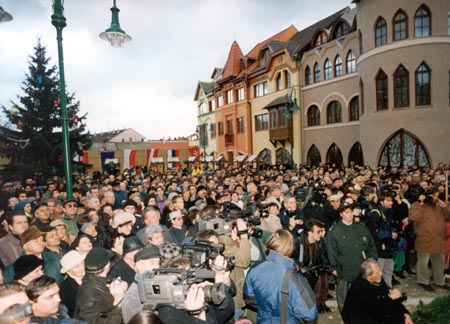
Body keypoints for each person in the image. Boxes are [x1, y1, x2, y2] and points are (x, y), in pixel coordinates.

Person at [244, 229, 318, 324]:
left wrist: (267, 310)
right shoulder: (295, 279)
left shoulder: (255, 269)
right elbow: (309, 315)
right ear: (289, 248)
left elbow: (249, 299)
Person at [326, 201, 378, 312]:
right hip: (344, 268)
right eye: (347, 212)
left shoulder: (361, 229)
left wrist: (372, 263)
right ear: (341, 214)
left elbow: (371, 247)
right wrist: (333, 267)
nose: (350, 215)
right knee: (343, 296)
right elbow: (331, 251)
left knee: (363, 294)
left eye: (351, 212)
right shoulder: (334, 231)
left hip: (361, 268)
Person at [342, 259, 414, 324]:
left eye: (380, 270)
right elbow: (378, 309)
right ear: (368, 276)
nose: (381, 273)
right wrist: (391, 298)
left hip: (375, 312)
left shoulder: (377, 279)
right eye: (377, 272)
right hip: (360, 319)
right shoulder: (360, 287)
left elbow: (388, 297)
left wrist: (405, 313)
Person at [409, 188, 450, 292]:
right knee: (423, 262)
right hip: (425, 239)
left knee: (439, 262)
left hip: (438, 239)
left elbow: (448, 216)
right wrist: (419, 203)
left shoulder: (438, 207)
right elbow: (414, 217)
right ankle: (423, 281)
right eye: (434, 195)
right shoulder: (419, 206)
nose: (436, 198)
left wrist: (445, 207)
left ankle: (440, 281)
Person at [74, 247, 128, 324]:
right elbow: (100, 321)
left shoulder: (98, 279)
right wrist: (118, 302)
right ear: (106, 265)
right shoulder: (88, 295)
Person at [59, 250, 86, 317]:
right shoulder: (64, 289)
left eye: (82, 263)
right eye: (77, 267)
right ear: (68, 271)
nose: (82, 268)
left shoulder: (92, 276)